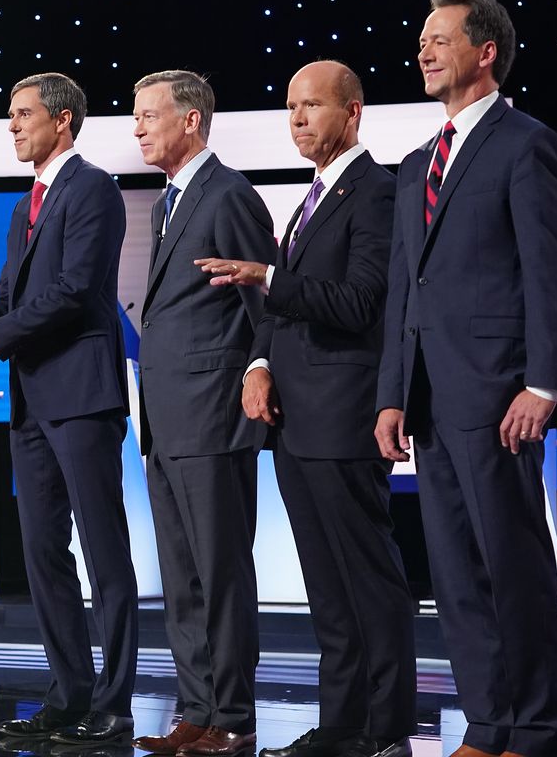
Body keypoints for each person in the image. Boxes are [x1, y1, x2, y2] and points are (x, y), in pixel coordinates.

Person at [375, 0, 557, 755]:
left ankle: (530, 727)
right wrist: (392, 395)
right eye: (421, 40)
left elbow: (551, 273)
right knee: (456, 575)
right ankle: (486, 723)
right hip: (430, 401)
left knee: (511, 563)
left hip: (499, 392)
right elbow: (404, 288)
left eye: (440, 39)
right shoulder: (417, 164)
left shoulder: (526, 144)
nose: (424, 51)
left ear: (485, 50)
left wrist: (543, 383)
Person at [196, 61, 416, 757]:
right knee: (327, 587)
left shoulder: (377, 192)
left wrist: (266, 275)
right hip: (295, 421)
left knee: (368, 582)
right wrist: (258, 363)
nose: (296, 119)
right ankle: (342, 724)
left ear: (352, 113)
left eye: (310, 106)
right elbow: (281, 312)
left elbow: (358, 304)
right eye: (289, 106)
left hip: (346, 415)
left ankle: (385, 729)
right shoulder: (312, 197)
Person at [0, 72, 138, 745]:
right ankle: (69, 693)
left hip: (82, 393)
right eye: (9, 116)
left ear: (63, 120)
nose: (12, 126)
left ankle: (115, 701)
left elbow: (74, 289)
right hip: (34, 399)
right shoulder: (27, 205)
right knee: (42, 552)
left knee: (104, 552)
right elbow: (12, 293)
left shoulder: (93, 188)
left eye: (23, 115)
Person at [128, 70, 274, 757]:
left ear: (191, 121)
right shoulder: (169, 201)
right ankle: (197, 709)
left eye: (149, 116)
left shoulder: (229, 193)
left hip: (212, 415)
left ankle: (234, 716)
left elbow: (265, 306)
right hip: (165, 418)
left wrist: (257, 369)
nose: (137, 128)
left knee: (220, 573)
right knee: (181, 578)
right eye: (136, 116)